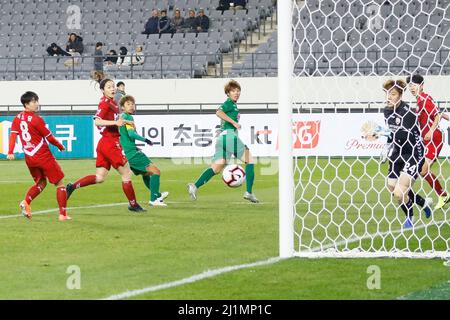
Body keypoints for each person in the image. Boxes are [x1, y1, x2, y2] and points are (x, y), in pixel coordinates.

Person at [66, 79, 145, 212]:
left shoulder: (112, 103)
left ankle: (72, 186)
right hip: (110, 143)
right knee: (126, 173)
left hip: (104, 143)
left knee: (100, 177)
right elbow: (97, 121)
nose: (112, 89)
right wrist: (115, 123)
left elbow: (114, 121)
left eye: (113, 86)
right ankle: (133, 204)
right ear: (103, 90)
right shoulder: (104, 103)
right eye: (109, 87)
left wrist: (122, 121)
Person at [367, 80, 432, 229]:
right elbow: (393, 136)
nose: (389, 97)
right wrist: (386, 146)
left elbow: (404, 135)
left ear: (401, 95)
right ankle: (423, 202)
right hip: (397, 154)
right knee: (392, 187)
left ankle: (410, 217)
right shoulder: (387, 111)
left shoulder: (408, 113)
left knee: (399, 193)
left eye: (393, 94)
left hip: (412, 154)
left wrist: (378, 132)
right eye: (387, 94)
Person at [187, 80, 259, 203]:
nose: (236, 93)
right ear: (228, 93)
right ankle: (249, 192)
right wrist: (234, 122)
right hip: (229, 137)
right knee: (250, 160)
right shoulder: (229, 103)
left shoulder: (233, 105)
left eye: (238, 91)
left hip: (222, 139)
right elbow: (218, 112)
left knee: (216, 168)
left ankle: (194, 186)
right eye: (233, 91)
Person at [7, 91, 70, 221]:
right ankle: (62, 214)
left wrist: (10, 151)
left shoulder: (17, 118)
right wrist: (60, 146)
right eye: (34, 102)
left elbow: (13, 135)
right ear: (26, 104)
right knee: (60, 184)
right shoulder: (37, 120)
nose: (37, 104)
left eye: (37, 101)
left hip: (30, 158)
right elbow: (50, 137)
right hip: (43, 156)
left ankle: (26, 202)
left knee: (41, 182)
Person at [406, 74, 450, 210]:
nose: (411, 88)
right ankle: (443, 195)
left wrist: (431, 130)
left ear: (421, 85)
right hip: (427, 140)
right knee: (422, 170)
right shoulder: (420, 101)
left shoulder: (424, 99)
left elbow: (436, 115)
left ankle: (443, 195)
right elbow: (438, 113)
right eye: (410, 85)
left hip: (434, 139)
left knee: (424, 170)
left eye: (414, 84)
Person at [119, 95, 169, 206]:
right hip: (133, 154)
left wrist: (130, 145)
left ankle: (157, 195)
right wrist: (146, 140)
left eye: (132, 104)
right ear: (122, 107)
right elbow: (132, 133)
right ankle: (154, 199)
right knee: (156, 171)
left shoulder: (120, 117)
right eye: (128, 104)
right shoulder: (128, 118)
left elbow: (123, 136)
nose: (131, 106)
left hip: (127, 153)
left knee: (145, 174)